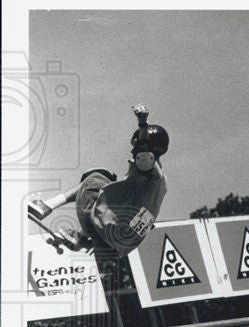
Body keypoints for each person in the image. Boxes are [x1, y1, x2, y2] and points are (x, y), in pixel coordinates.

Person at [28, 105, 168, 256]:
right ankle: (80, 237)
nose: (133, 151)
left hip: (110, 230)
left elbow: (145, 152)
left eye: (135, 145)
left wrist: (142, 122)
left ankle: (46, 207)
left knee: (97, 177)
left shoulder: (151, 170)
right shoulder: (158, 188)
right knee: (108, 197)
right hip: (118, 244)